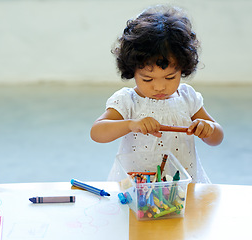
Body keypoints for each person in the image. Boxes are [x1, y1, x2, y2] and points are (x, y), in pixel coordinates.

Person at [90, 5, 224, 183]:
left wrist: (208, 128)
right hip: (138, 189)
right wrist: (130, 124)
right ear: (132, 71)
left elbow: (217, 138)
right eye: (147, 79)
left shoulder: (187, 98)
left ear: (183, 68)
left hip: (182, 186)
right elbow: (97, 132)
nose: (159, 87)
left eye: (170, 77)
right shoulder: (128, 101)